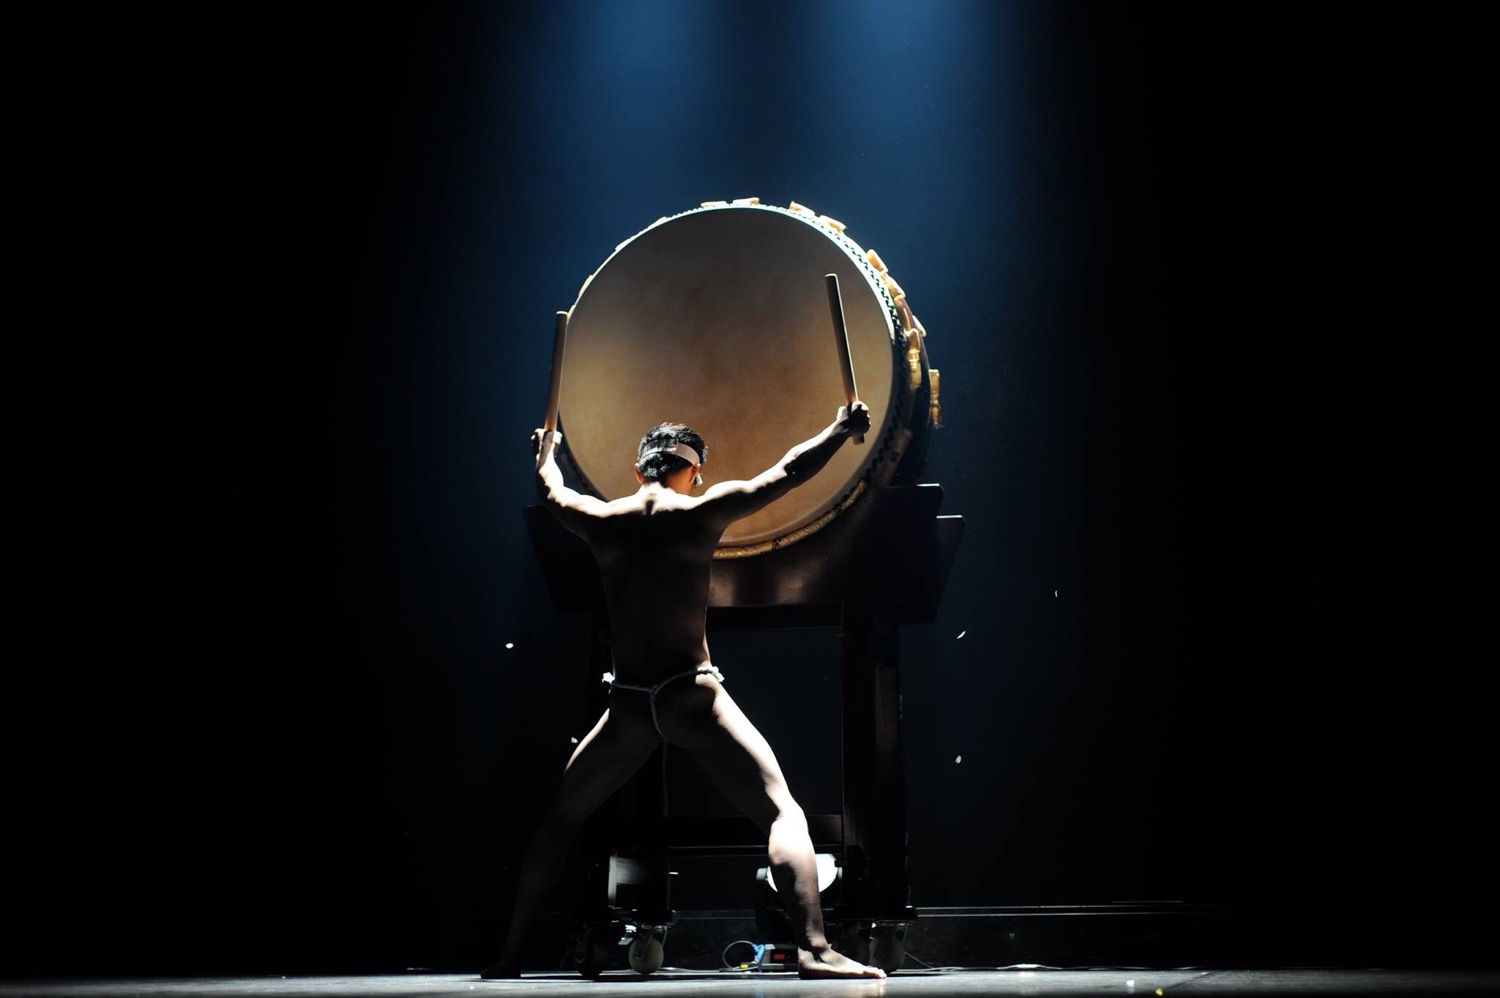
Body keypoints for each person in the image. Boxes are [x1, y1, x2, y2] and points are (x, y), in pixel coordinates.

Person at [483, 403, 882, 981]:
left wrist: (546, 452)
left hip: (629, 701)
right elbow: (789, 471)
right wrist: (842, 429)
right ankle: (814, 951)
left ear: (638, 468)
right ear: (693, 472)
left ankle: (508, 956)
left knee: (559, 821)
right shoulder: (700, 512)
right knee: (781, 813)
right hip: (688, 693)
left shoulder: (600, 517)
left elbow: (551, 491)